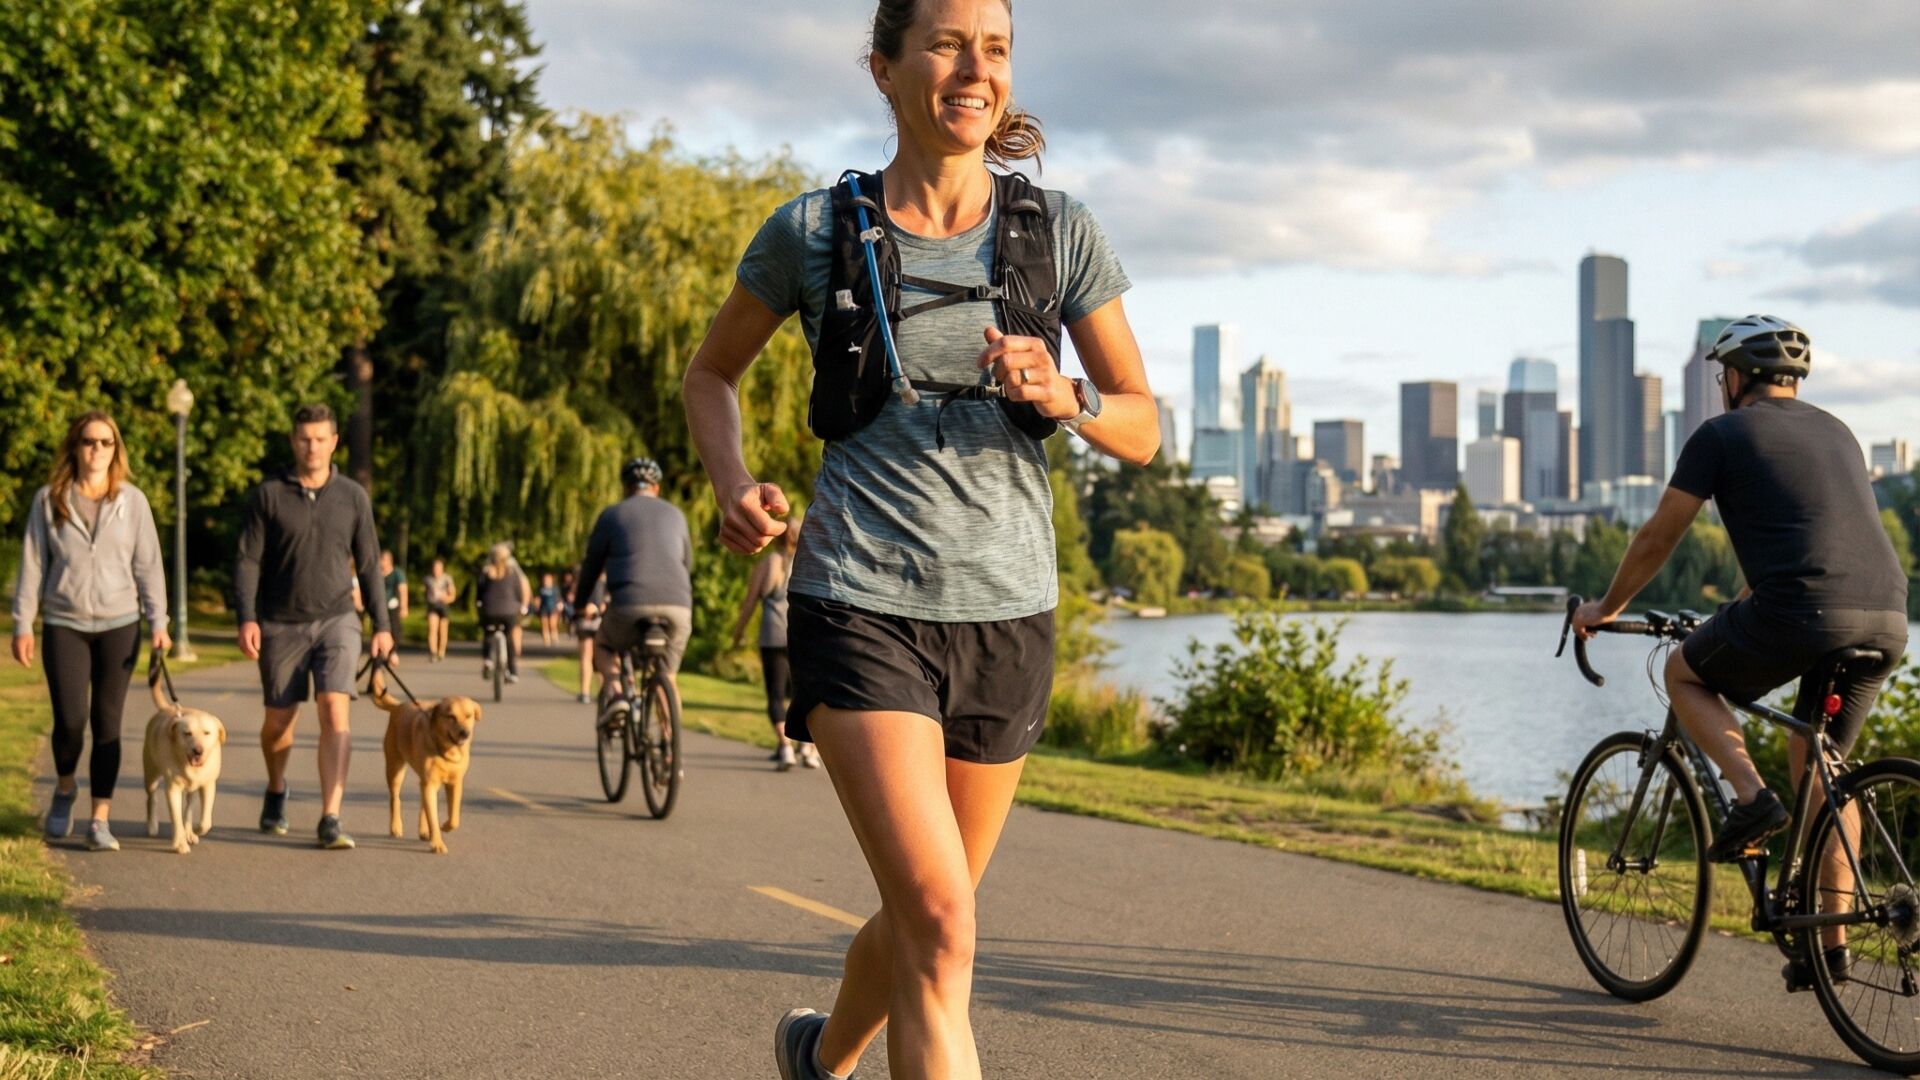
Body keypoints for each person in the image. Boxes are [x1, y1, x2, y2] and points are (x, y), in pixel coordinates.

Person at [684, 2, 1158, 1073]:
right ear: (885, 70)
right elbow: (711, 372)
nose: (973, 68)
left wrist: (1067, 394)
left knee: (920, 918)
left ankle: (820, 1057)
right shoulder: (814, 231)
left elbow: (1143, 423)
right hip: (858, 598)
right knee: (945, 923)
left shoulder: (1060, 230)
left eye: (993, 48)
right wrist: (735, 483)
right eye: (946, 43)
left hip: (1008, 614)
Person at [1572, 315, 1908, 986]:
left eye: (1720, 372)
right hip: (1888, 616)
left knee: (1684, 673)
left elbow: (1658, 538)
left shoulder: (1721, 434)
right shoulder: (1838, 433)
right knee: (1822, 764)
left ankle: (1750, 800)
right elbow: (1817, 534)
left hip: (1805, 611)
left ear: (1735, 376)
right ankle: (1830, 947)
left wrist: (1603, 609)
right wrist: (1740, 607)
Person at [235, 403, 394, 850]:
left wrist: (381, 625)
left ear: (334, 442)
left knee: (334, 709)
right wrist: (246, 616)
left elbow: (368, 563)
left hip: (337, 618)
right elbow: (248, 561)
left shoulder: (352, 496)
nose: (313, 447)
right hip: (280, 623)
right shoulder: (268, 495)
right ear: (293, 441)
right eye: (305, 439)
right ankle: (277, 787)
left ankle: (331, 815)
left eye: (321, 438)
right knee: (279, 721)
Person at [11, 412, 172, 852]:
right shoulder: (50, 500)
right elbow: (32, 565)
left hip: (120, 623)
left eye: (105, 442)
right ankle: (65, 788)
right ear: (74, 447)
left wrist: (159, 621)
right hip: (65, 622)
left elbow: (148, 566)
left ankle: (100, 818)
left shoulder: (132, 501)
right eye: (88, 441)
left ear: (116, 449)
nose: (97, 449)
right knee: (70, 721)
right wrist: (22, 623)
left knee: (108, 723)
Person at [573, 458, 692, 721]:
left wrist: (580, 605)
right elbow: (688, 563)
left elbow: (591, 567)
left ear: (626, 488)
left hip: (629, 603)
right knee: (667, 676)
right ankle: (672, 753)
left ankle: (615, 692)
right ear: (656, 488)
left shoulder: (612, 514)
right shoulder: (676, 515)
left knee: (603, 643)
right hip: (678, 607)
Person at [732, 513, 818, 770]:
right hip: (802, 635)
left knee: (775, 693)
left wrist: (738, 632)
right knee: (805, 693)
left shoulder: (769, 563)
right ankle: (808, 748)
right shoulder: (809, 562)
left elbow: (750, 603)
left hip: (772, 634)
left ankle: (784, 747)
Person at [476, 543, 532, 683]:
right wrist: (521, 606)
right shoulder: (513, 573)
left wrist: (479, 603)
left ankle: (488, 660)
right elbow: (519, 592)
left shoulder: (486, 572)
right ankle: (512, 672)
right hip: (509, 612)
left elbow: (480, 592)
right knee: (509, 640)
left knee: (488, 634)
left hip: (490, 610)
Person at [423, 559, 456, 662]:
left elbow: (453, 595)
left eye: (438, 568)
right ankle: (433, 651)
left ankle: (441, 652)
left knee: (443, 630)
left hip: (443, 606)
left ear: (442, 568)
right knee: (432, 629)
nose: (436, 570)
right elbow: (424, 593)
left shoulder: (447, 579)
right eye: (434, 568)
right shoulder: (428, 579)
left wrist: (445, 597)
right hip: (432, 605)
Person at [381, 549, 408, 639]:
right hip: (380, 605)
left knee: (394, 628)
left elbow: (403, 590)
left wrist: (403, 607)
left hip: (392, 604)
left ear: (389, 560)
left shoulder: (397, 573)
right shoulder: (378, 573)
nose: (380, 561)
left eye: (383, 559)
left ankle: (393, 649)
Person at [537, 572, 562, 647]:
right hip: (543, 609)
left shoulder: (555, 589)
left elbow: (558, 598)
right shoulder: (541, 589)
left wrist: (559, 606)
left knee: (552, 625)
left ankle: (555, 638)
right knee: (544, 625)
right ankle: (546, 641)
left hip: (553, 608)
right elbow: (538, 599)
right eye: (545, 579)